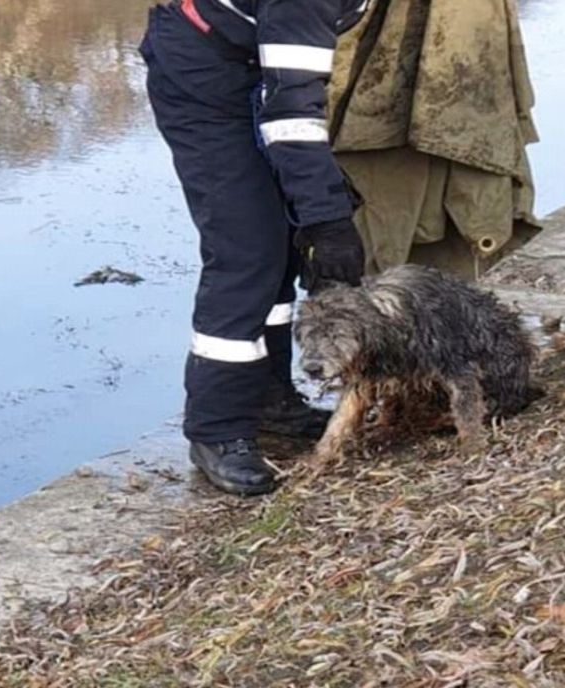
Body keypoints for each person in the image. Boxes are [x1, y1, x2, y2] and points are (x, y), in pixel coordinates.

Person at [138, 0, 368, 496]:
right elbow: (292, 112)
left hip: (249, 64)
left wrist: (312, 210)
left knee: (282, 240)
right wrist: (328, 220)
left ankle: (267, 400)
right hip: (199, 77)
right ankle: (216, 429)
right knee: (246, 251)